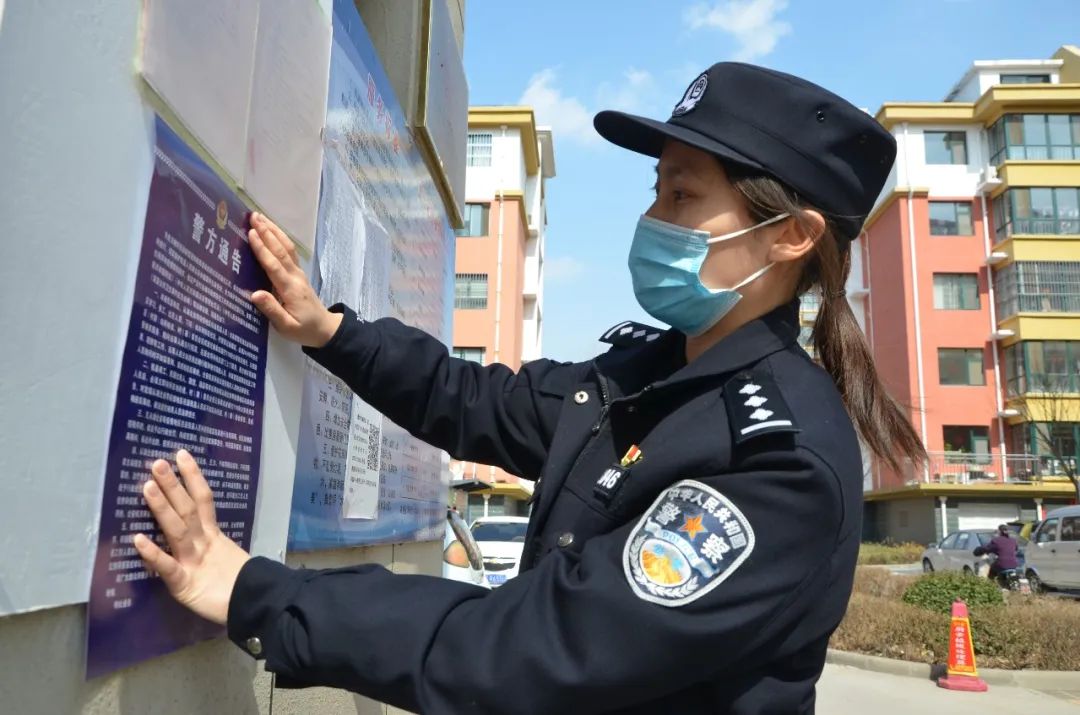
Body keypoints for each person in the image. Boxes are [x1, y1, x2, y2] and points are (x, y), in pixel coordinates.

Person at [133, 62, 925, 714]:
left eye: (683, 196)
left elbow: (538, 646)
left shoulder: (779, 459)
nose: (652, 217)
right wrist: (333, 333)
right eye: (656, 190)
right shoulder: (647, 376)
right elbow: (477, 400)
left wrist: (258, 594)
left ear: (790, 234)